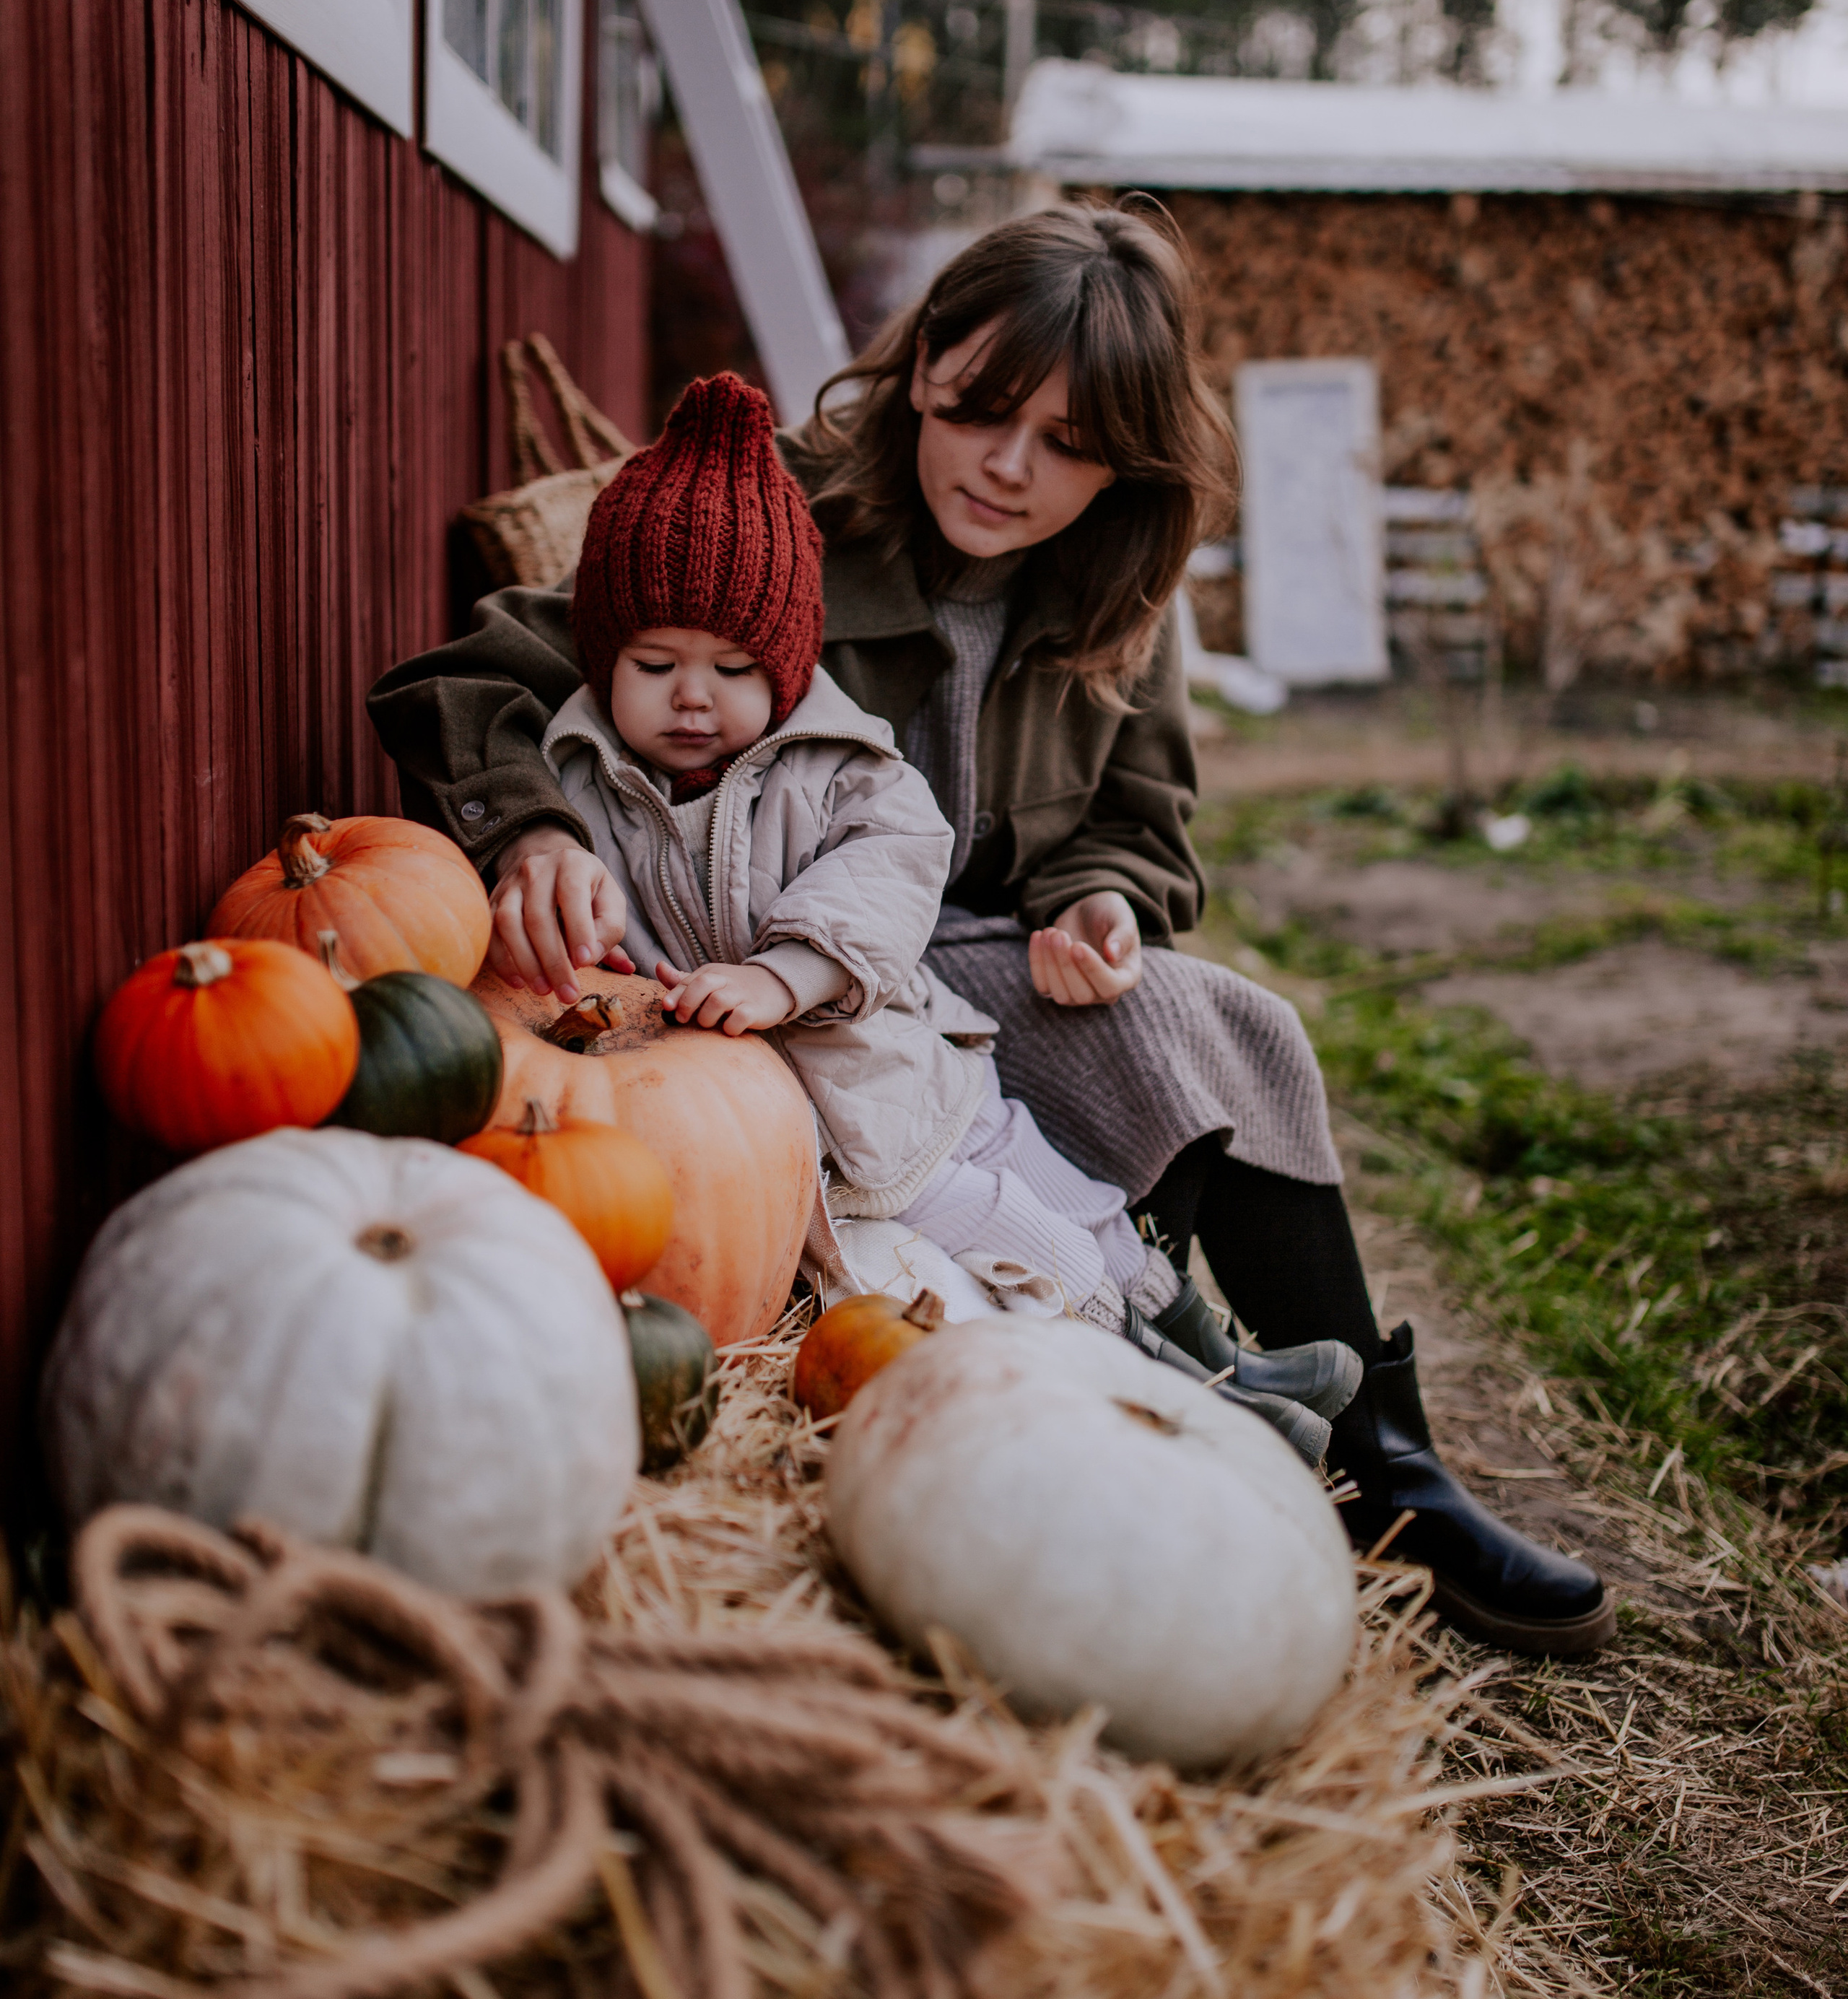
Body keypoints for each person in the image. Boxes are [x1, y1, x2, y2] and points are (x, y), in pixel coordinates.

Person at [370, 201, 1616, 1658]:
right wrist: (533, 824)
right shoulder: (777, 524)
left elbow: (1135, 828)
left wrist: (1100, 904)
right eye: (978, 411)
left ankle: (1381, 1465)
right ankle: (1180, 1400)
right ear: (921, 369)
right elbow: (483, 666)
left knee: (1230, 1027)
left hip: (968, 965)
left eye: (1071, 444)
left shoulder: (1113, 592)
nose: (1010, 469)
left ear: (1129, 461)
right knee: (1083, 1129)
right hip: (764, 990)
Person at [540, 365, 1359, 1466]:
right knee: (1025, 1246)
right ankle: (1204, 1411)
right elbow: (504, 703)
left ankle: (1232, 1365)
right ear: (928, 371)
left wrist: (796, 970)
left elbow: (900, 856)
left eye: (734, 669)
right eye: (655, 667)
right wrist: (532, 846)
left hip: (894, 1043)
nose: (694, 697)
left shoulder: (828, 757)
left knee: (1085, 1201)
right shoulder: (584, 757)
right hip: (817, 1116)